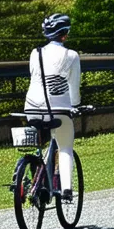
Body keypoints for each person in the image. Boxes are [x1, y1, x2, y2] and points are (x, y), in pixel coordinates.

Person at [24, 13, 82, 202]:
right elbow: (74, 87)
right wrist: (75, 106)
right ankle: (66, 189)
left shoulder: (35, 53)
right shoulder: (71, 55)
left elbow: (35, 77)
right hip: (59, 109)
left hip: (32, 107)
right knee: (65, 147)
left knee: (40, 142)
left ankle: (36, 178)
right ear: (64, 34)